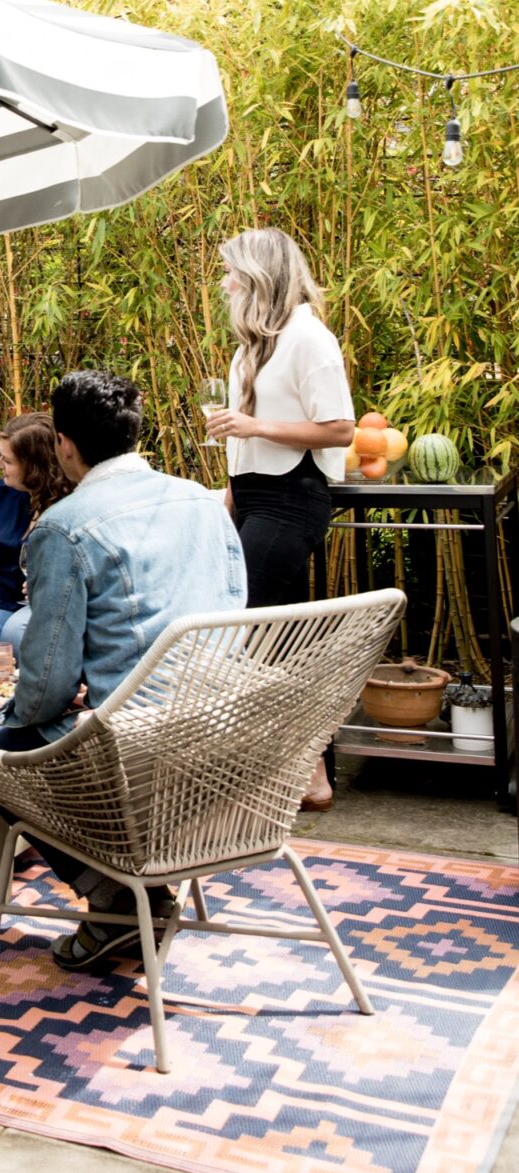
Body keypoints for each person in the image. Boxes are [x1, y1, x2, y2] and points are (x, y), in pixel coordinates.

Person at [0, 369, 245, 975]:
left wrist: (13, 713)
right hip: (221, 733)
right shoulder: (203, 504)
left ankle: (115, 899)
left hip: (133, 751)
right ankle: (127, 893)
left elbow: (45, 686)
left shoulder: (63, 526)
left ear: (65, 445)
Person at [205, 227, 356, 810]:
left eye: (233, 273)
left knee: (244, 634)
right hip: (252, 498)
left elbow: (340, 428)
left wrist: (254, 427)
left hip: (293, 499)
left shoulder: (309, 339)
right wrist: (229, 498)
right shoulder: (254, 345)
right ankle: (310, 772)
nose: (225, 283)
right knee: (270, 644)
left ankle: (280, 767)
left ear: (260, 277)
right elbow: (245, 442)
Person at [0, 412, 69, 662]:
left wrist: (45, 586)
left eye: (8, 460)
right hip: (2, 604)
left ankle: (30, 700)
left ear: (34, 466)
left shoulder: (70, 505)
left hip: (46, 609)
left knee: (16, 632)